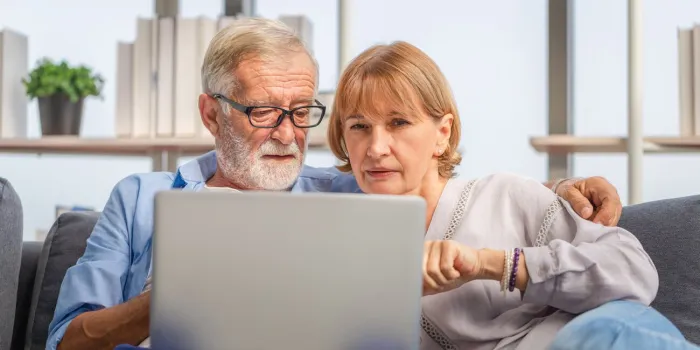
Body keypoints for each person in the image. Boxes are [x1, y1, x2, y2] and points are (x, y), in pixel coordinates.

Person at [47, 18, 623, 350]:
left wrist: (562, 191)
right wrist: (163, 304)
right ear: (210, 112)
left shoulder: (347, 196)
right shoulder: (139, 199)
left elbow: (437, 182)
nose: (287, 133)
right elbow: (66, 341)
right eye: (263, 112)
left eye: (302, 112)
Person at [326, 40, 699, 350]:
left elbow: (634, 272)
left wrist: (493, 265)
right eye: (359, 126)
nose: (375, 148)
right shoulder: (343, 246)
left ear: (442, 133)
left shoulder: (503, 196)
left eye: (398, 122)